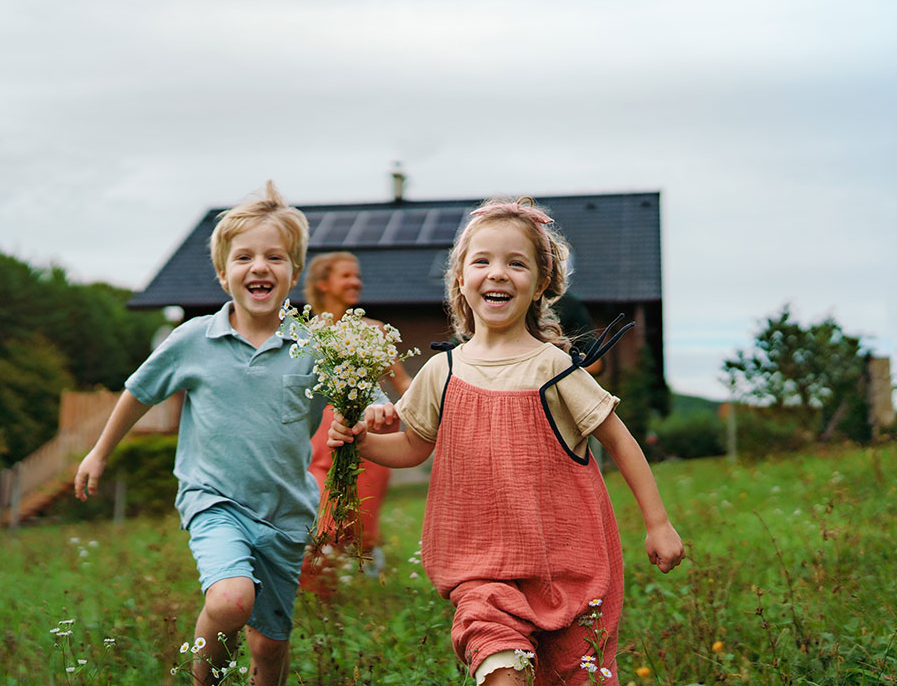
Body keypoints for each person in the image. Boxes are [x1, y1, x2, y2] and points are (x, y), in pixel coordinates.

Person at [329, 198, 685, 685]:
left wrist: (658, 524)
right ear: (460, 278)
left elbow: (621, 440)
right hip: (479, 568)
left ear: (540, 284)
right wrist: (360, 442)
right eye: (482, 261)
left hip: (568, 566)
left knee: (573, 676)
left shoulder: (553, 367)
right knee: (500, 665)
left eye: (515, 263)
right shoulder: (442, 370)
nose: (497, 273)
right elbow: (412, 446)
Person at [74, 181, 325, 686]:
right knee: (232, 599)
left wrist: (377, 418)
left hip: (286, 511)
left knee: (270, 644)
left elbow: (362, 404)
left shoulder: (315, 346)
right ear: (222, 273)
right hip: (214, 500)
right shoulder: (193, 340)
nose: (259, 267)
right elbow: (139, 392)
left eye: (275, 257)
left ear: (293, 273)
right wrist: (99, 452)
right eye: (244, 257)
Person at [301, 252, 412, 570]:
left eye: (357, 275)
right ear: (323, 283)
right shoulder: (305, 334)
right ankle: (318, 592)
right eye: (347, 275)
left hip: (372, 435)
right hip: (321, 439)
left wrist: (436, 410)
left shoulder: (375, 330)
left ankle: (365, 592)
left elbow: (403, 384)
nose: (356, 282)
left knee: (363, 523)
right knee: (324, 523)